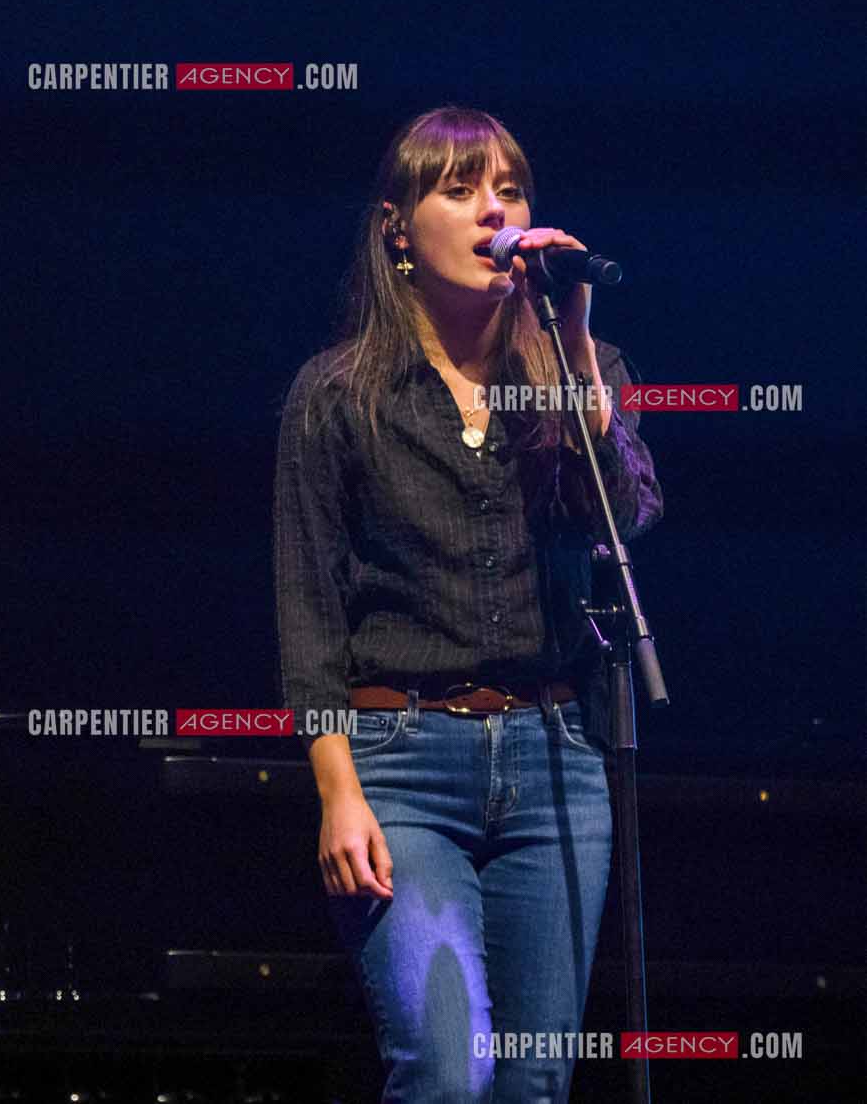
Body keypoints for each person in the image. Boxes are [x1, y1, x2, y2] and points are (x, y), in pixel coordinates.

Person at [273, 106, 662, 1102]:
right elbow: (309, 611)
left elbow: (625, 513)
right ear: (398, 228)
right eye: (460, 188)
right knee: (447, 1073)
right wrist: (335, 789)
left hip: (555, 761)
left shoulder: (581, 371)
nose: (495, 210)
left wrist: (574, 339)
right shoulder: (338, 395)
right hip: (401, 764)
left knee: (531, 1086)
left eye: (511, 188)